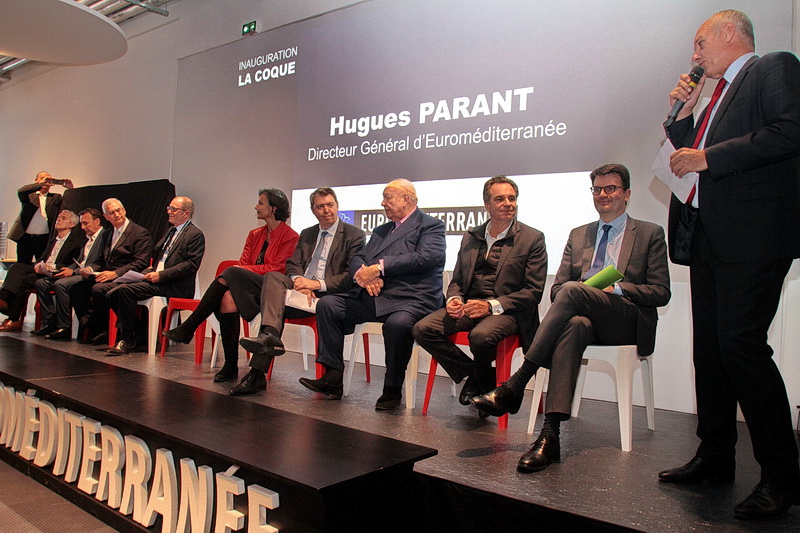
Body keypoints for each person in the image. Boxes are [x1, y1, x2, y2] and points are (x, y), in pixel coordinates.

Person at [658, 10, 800, 520]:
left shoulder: (773, 67)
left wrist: (709, 158)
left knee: (742, 346)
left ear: (728, 34)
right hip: (708, 238)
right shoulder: (712, 98)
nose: (695, 55)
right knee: (710, 352)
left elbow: (790, 132)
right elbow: (681, 157)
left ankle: (783, 478)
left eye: (700, 43)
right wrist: (682, 113)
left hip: (755, 235)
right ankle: (715, 456)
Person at [471, 164, 670, 471]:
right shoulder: (579, 235)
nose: (603, 195)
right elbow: (557, 290)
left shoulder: (648, 233)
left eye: (611, 188)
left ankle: (517, 382)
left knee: (576, 291)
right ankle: (549, 437)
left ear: (627, 194)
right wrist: (580, 290)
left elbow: (660, 293)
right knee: (575, 322)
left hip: (626, 321)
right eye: (597, 189)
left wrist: (616, 288)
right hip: (586, 321)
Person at [298, 179, 446, 410]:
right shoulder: (381, 230)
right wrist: (365, 275)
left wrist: (379, 268)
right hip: (377, 295)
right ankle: (333, 377)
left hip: (412, 299)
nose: (383, 203)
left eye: (388, 198)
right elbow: (358, 258)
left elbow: (426, 258)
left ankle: (392, 389)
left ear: (406, 199)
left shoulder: (430, 225)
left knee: (397, 325)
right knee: (328, 304)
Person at [412, 176, 547, 408]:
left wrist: (491, 305)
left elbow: (533, 292)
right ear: (487, 205)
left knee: (481, 336)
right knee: (423, 329)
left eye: (512, 198)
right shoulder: (471, 236)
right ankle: (480, 375)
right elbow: (457, 280)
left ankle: (478, 377)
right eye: (500, 199)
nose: (508, 203)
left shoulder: (532, 238)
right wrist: (454, 298)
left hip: (508, 312)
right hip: (469, 307)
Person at [229, 187, 366, 396]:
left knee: (273, 308)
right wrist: (299, 281)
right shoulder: (308, 234)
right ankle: (270, 338)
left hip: (327, 297)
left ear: (337, 206)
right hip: (300, 291)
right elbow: (292, 264)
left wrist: (316, 285)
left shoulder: (353, 235)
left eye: (330, 205)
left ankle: (257, 371)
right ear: (313, 210)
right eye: (320, 207)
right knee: (273, 278)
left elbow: (350, 276)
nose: (326, 210)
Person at [164, 188, 299, 383]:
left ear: (273, 208)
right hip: (250, 287)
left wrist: (244, 270)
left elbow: (277, 268)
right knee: (226, 299)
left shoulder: (290, 236)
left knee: (231, 272)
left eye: (261, 203)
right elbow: (243, 263)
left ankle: (189, 327)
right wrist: (243, 270)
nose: (256, 206)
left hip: (272, 290)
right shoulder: (254, 234)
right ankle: (230, 366)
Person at [104, 197, 205, 355]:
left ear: (186, 213)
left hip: (174, 285)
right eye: (169, 208)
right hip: (157, 280)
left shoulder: (194, 235)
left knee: (124, 291)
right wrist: (148, 272)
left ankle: (127, 339)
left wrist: (161, 275)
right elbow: (160, 257)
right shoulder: (171, 231)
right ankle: (140, 332)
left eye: (173, 209)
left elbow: (191, 265)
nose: (169, 212)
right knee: (111, 293)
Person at [69, 198, 153, 342]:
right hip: (107, 274)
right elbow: (101, 259)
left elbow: (140, 262)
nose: (117, 214)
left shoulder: (140, 233)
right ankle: (96, 327)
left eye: (118, 210)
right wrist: (89, 269)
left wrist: (115, 273)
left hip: (127, 276)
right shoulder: (108, 233)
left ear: (124, 211)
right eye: (111, 213)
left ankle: (133, 331)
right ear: (106, 216)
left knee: (98, 289)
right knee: (76, 289)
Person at [0, 210, 84, 332]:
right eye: (58, 217)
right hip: (43, 270)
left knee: (21, 281)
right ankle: (4, 302)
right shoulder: (53, 240)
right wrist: (39, 264)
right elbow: (43, 258)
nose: (58, 220)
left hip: (57, 273)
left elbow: (73, 263)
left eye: (63, 218)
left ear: (71, 224)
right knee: (17, 267)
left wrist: (53, 266)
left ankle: (12, 316)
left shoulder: (76, 242)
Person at [33, 208, 107, 339]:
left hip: (90, 275)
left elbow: (98, 262)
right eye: (82, 224)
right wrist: (64, 269)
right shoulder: (86, 239)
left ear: (97, 221)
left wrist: (73, 271)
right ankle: (50, 323)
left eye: (86, 223)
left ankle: (64, 326)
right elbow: (79, 261)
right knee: (41, 283)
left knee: (61, 284)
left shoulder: (104, 237)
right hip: (79, 272)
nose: (83, 227)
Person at [9, 172, 74, 264]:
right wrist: (41, 184)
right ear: (36, 180)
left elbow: (68, 205)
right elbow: (21, 191)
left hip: (44, 239)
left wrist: (70, 188)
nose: (46, 181)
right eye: (43, 178)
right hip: (26, 238)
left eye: (49, 179)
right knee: (22, 265)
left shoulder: (55, 197)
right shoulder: (29, 195)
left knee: (41, 264)